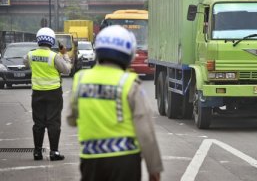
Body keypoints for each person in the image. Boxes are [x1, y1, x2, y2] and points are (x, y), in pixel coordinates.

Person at [67, 25, 163, 181]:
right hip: (124, 161)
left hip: (90, 159)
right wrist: (154, 169)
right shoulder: (129, 83)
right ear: (128, 54)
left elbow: (72, 119)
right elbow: (145, 132)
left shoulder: (81, 79)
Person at [23, 27, 71, 161]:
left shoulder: (31, 54)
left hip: (37, 93)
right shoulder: (54, 56)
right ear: (52, 41)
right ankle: (54, 153)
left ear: (38, 40)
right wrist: (65, 55)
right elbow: (67, 70)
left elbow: (25, 63)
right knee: (53, 122)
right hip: (53, 93)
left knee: (38, 122)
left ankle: (37, 152)